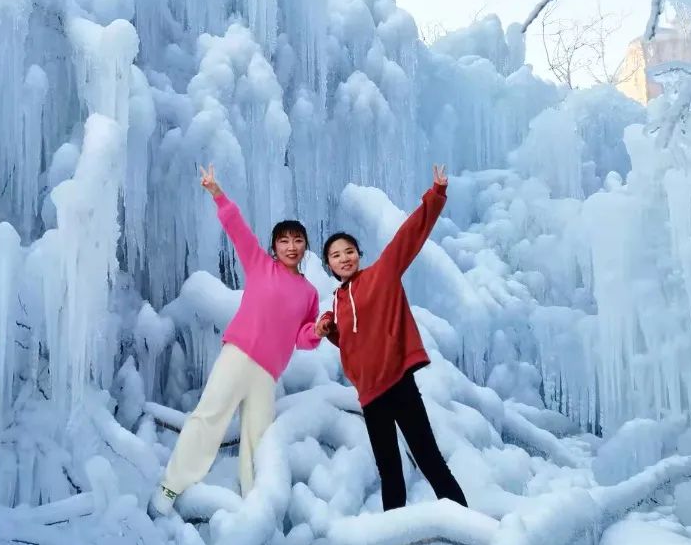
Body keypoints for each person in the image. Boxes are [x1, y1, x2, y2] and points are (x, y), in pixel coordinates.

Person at [150, 164, 327, 515]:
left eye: (298, 240)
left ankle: (254, 504)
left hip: (267, 373)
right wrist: (217, 192)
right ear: (274, 247)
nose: (291, 246)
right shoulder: (260, 264)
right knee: (209, 416)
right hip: (239, 355)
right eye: (284, 240)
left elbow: (303, 338)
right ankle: (171, 486)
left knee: (258, 438)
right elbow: (237, 228)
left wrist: (318, 331)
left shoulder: (309, 293)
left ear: (305, 247)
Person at [316, 164, 467, 512]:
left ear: (358, 255)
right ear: (330, 266)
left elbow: (409, 236)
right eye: (336, 256)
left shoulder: (382, 274)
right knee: (390, 472)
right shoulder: (338, 302)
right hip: (370, 395)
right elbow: (352, 341)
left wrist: (436, 193)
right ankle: (394, 538)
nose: (344, 258)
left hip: (398, 382)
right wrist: (329, 328)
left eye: (348, 251)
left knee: (429, 459)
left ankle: (468, 527)